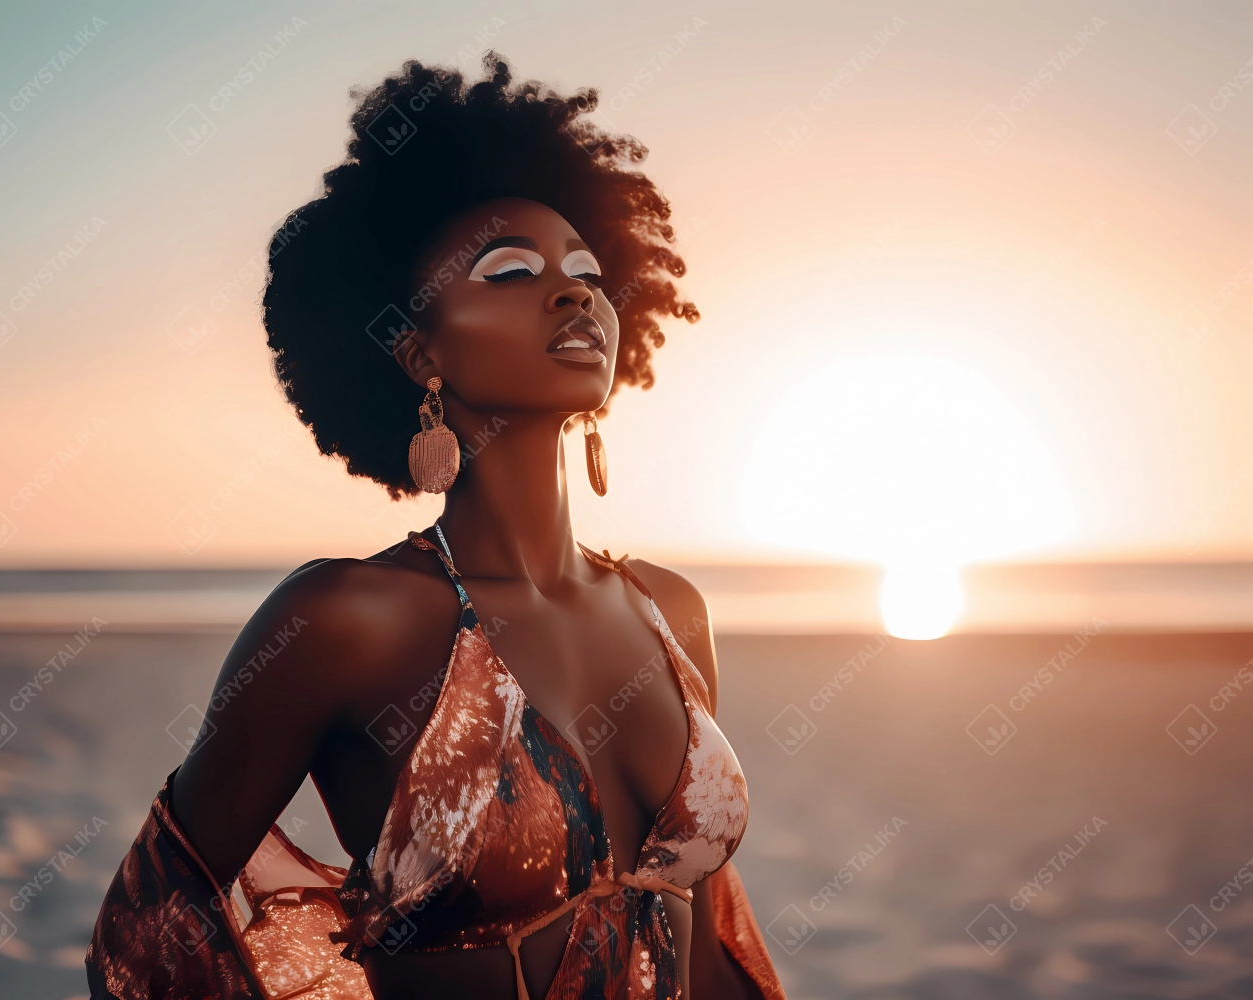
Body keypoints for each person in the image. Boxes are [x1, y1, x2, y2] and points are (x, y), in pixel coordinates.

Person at [87, 52, 786, 1000]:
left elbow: (705, 940)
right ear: (420, 351)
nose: (574, 292)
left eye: (588, 273)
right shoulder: (346, 620)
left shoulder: (671, 610)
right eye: (510, 272)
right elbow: (152, 934)